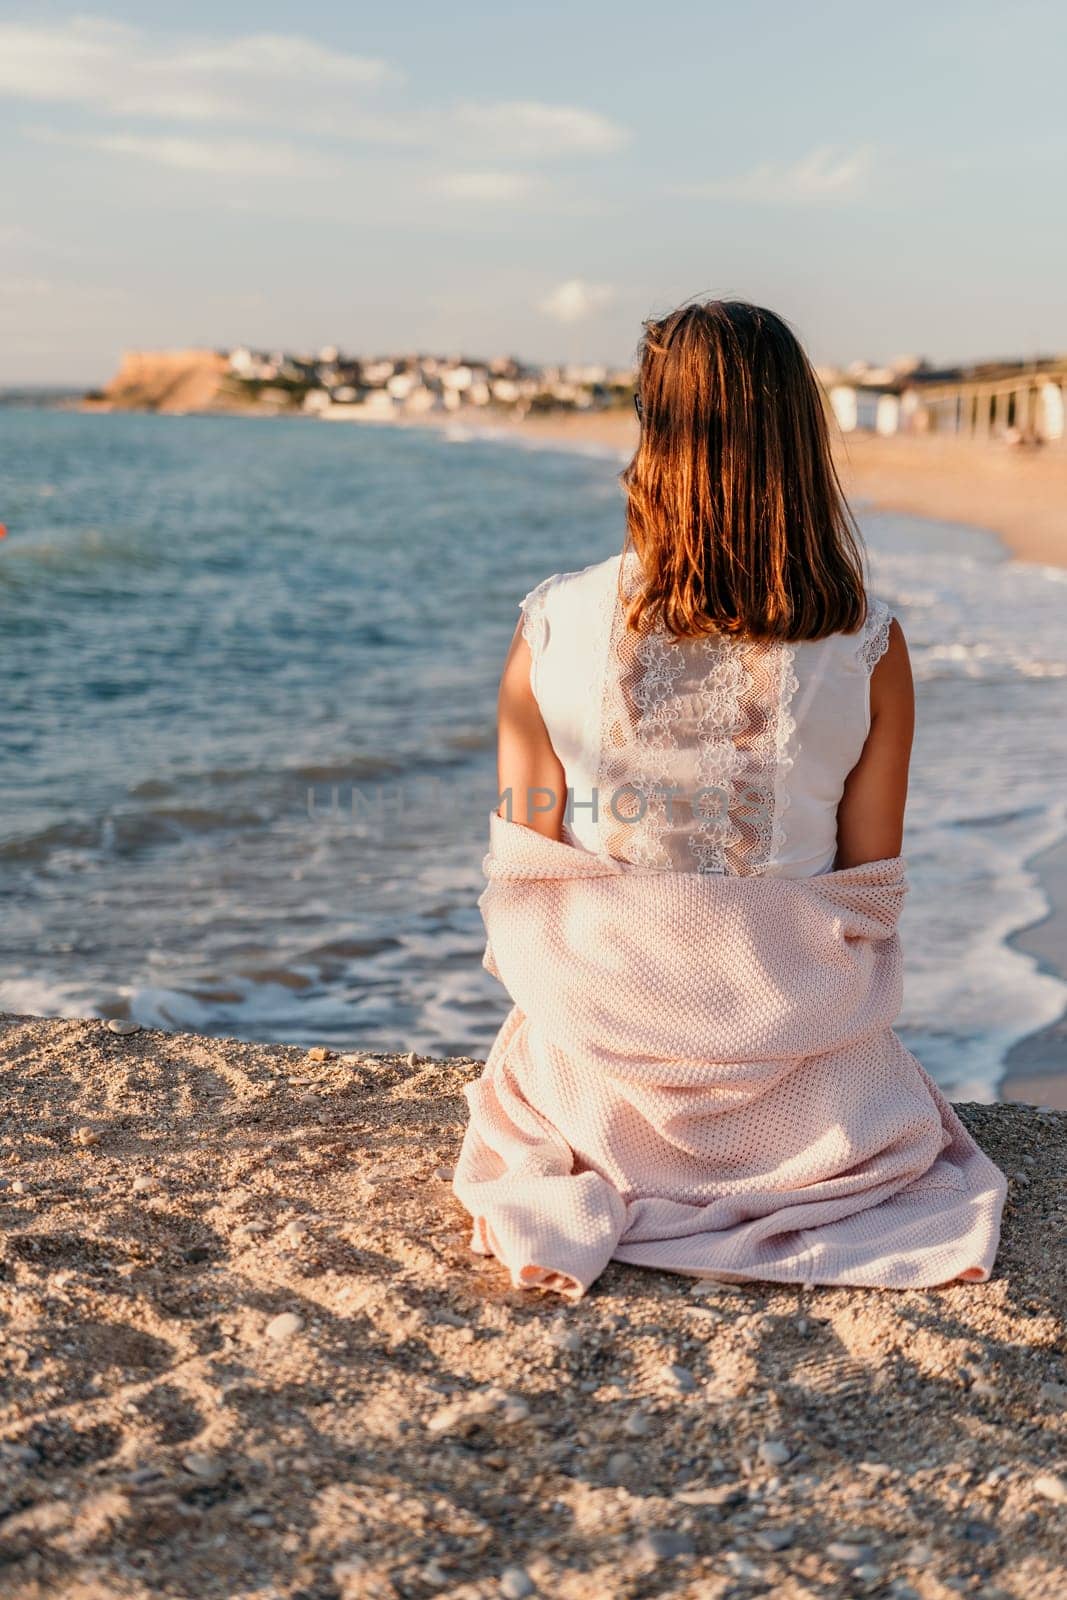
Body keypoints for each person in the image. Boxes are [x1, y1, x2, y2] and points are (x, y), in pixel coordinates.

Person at [453, 300, 1006, 1301]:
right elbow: (865, 888)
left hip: (600, 1084)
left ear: (648, 432)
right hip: (802, 1090)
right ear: (801, 439)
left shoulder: (550, 622)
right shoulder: (869, 647)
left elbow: (522, 873)